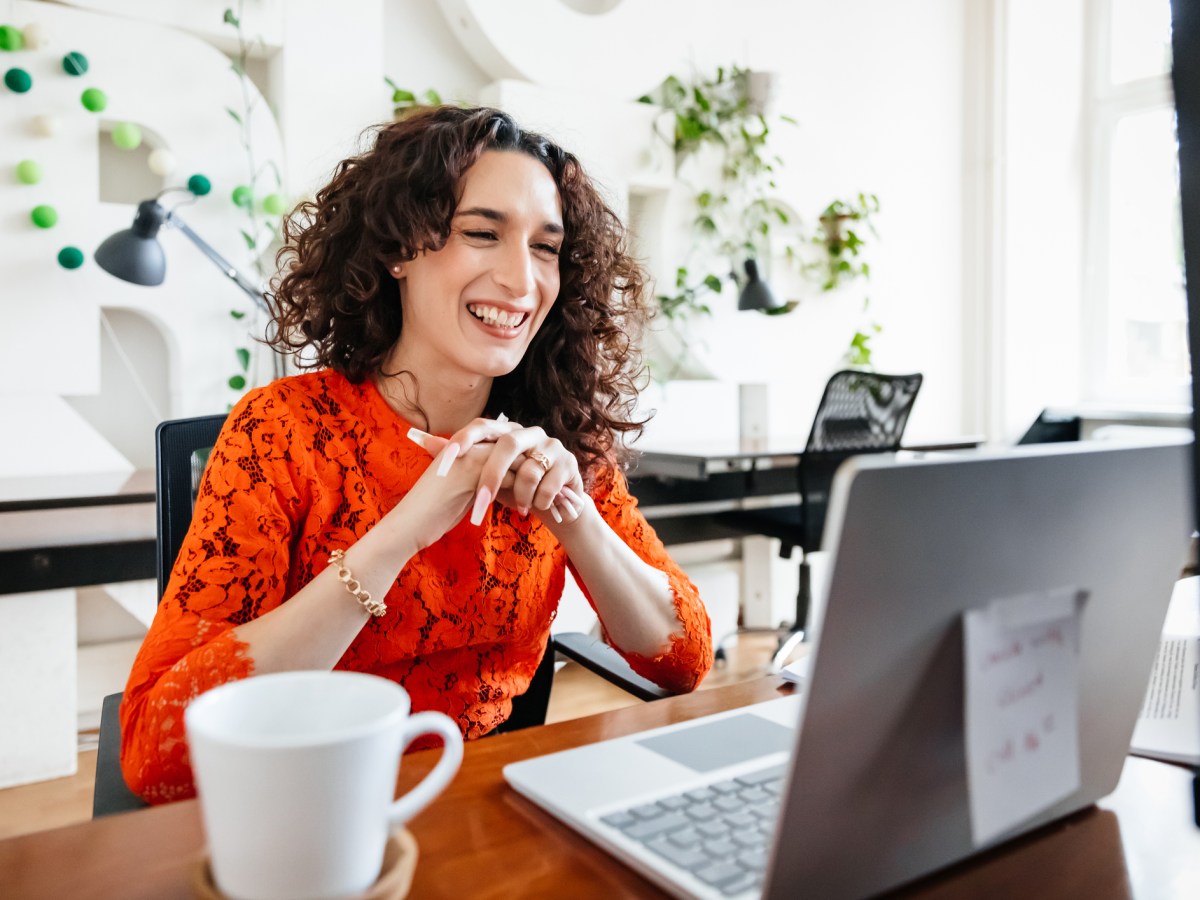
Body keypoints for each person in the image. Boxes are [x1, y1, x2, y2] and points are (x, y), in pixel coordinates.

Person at [120, 105, 713, 803]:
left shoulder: (558, 436)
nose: (522, 281)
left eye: (545, 248)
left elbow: (685, 661)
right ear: (398, 247)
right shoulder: (281, 433)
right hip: (313, 808)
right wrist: (406, 530)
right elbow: (154, 754)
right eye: (482, 233)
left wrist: (572, 513)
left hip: (490, 807)